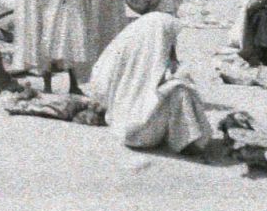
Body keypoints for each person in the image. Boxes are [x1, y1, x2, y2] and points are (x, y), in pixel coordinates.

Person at [88, 11, 217, 155]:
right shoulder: (154, 56)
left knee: (175, 86)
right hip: (142, 132)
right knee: (181, 89)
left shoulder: (125, 51)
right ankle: (188, 141)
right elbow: (160, 83)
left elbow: (100, 88)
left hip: (120, 125)